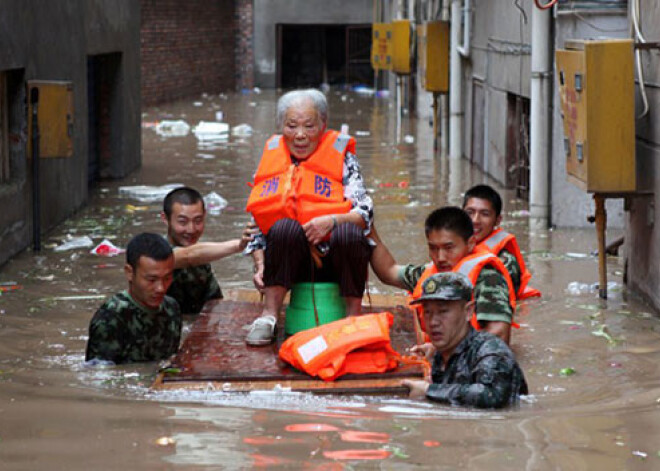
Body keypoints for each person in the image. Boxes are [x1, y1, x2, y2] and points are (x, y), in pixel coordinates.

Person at [244, 89, 373, 346]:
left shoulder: (343, 157)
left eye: (309, 126)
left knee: (350, 231)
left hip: (334, 261)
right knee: (281, 228)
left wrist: (332, 220)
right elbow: (258, 223)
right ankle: (268, 316)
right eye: (292, 126)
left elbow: (365, 212)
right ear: (282, 127)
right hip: (289, 264)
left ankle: (353, 316)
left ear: (323, 126)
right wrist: (260, 264)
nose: (300, 135)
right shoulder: (271, 156)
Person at [370, 206, 517, 344]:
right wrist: (368, 228)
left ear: (471, 244)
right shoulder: (430, 274)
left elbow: (499, 332)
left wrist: (445, 350)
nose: (440, 257)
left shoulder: (487, 277)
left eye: (449, 248)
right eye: (433, 248)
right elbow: (389, 272)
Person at [401, 272, 528, 408]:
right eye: (427, 312)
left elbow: (492, 395)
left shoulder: (491, 350)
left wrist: (429, 390)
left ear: (468, 311)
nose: (433, 322)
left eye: (443, 311)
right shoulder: (442, 352)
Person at [85, 233, 181, 364]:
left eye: (167, 278)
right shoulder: (110, 319)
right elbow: (100, 378)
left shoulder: (171, 308)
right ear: (129, 273)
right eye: (151, 280)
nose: (161, 288)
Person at [162, 186, 254, 315]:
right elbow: (188, 255)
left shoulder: (203, 258)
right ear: (165, 219)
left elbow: (215, 301)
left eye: (198, 221)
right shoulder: (154, 252)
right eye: (183, 222)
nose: (191, 229)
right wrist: (239, 245)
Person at [463, 184, 540, 299]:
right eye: (470, 212)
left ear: (497, 220)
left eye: (485, 214)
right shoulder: (449, 248)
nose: (475, 220)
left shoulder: (504, 263)